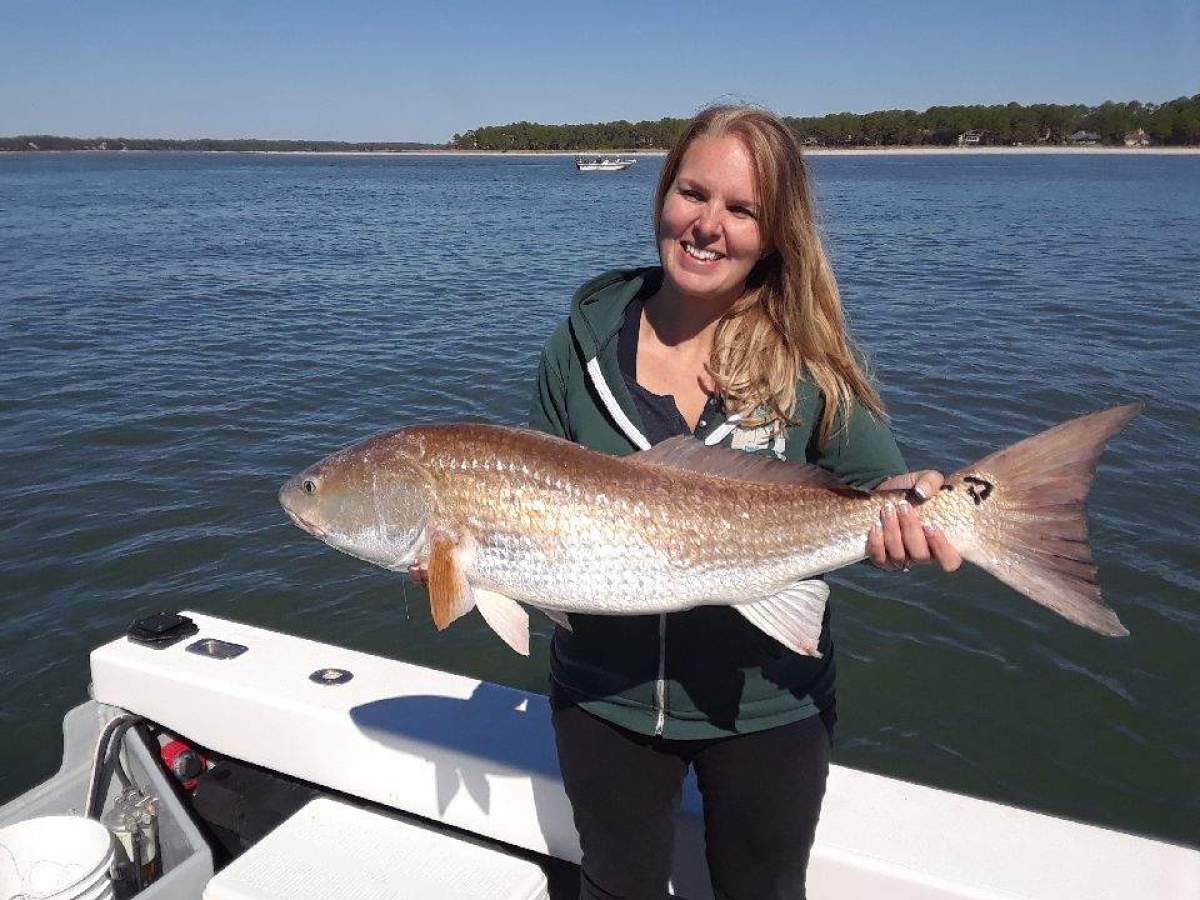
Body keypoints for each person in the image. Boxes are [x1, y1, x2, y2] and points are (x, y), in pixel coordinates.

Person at [524, 105, 962, 900]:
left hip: (770, 707)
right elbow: (524, 500)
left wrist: (920, 505)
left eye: (742, 209)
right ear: (662, 193)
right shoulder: (578, 349)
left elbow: (882, 488)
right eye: (693, 193)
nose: (707, 226)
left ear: (774, 233)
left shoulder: (806, 365)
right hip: (603, 699)